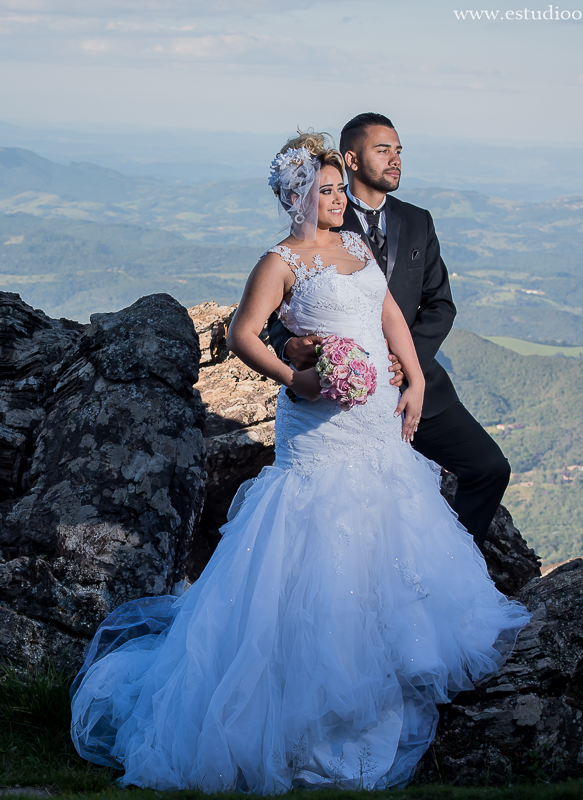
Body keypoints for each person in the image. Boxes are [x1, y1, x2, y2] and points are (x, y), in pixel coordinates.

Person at [69, 132, 530, 792]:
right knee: (317, 545)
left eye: (342, 187)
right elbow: (242, 334)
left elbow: (390, 311)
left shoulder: (355, 246)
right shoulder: (280, 261)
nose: (340, 198)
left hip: (376, 420)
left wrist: (417, 383)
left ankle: (387, 673)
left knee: (383, 535)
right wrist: (295, 377)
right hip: (319, 430)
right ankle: (310, 706)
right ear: (297, 196)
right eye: (328, 189)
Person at [265, 113, 509, 549]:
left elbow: (440, 304)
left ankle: (449, 563)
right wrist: (293, 347)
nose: (396, 160)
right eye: (384, 150)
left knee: (490, 468)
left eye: (399, 151)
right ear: (352, 160)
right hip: (342, 395)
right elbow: (278, 310)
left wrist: (403, 363)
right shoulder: (323, 221)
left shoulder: (418, 221)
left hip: (416, 385)